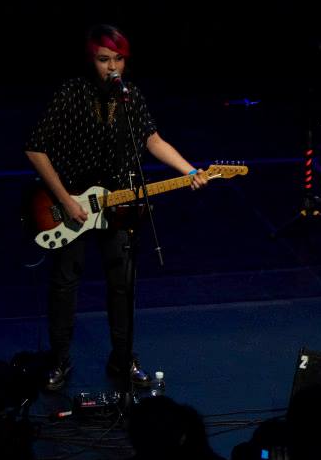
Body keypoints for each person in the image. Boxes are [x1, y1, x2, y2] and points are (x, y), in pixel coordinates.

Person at [25, 24, 208, 391]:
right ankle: (59, 360)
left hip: (118, 205)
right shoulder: (71, 93)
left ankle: (123, 359)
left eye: (119, 59)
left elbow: (152, 139)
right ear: (91, 60)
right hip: (71, 204)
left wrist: (189, 170)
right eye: (104, 59)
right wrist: (65, 200)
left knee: (123, 285)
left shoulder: (131, 96)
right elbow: (35, 148)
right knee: (64, 284)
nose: (112, 67)